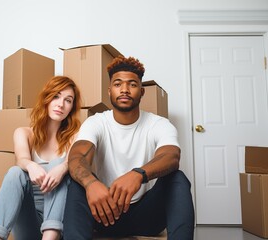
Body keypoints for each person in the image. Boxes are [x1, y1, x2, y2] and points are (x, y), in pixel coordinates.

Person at [63, 56, 195, 240]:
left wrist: (138, 174)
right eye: (118, 84)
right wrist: (91, 183)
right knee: (76, 180)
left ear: (142, 92)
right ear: (109, 91)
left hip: (146, 216)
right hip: (103, 214)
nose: (124, 89)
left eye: (132, 84)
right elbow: (77, 157)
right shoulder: (96, 122)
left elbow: (172, 156)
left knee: (178, 178)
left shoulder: (158, 124)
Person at [0, 76, 82, 240]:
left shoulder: (76, 136)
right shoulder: (24, 133)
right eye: (56, 96)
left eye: (68, 100)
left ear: (72, 107)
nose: (60, 104)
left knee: (61, 164)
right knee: (15, 172)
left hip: (61, 227)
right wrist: (30, 165)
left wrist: (62, 168)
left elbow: (74, 161)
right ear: (46, 98)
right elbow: (21, 159)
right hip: (29, 225)